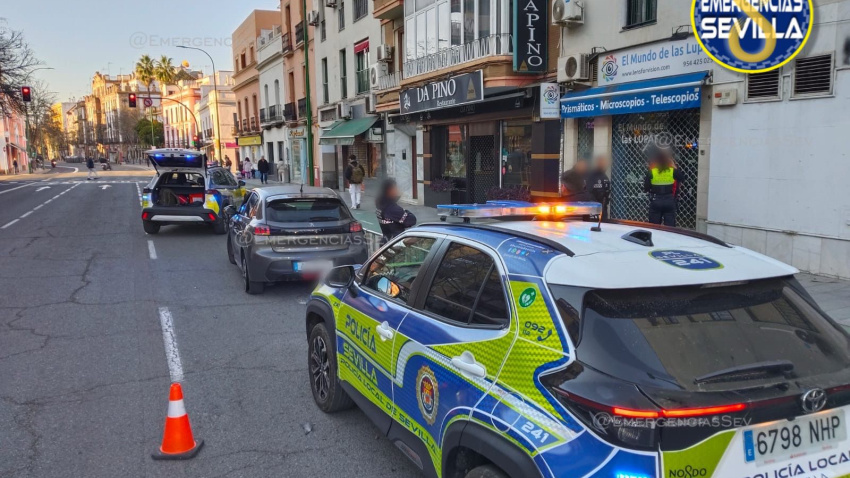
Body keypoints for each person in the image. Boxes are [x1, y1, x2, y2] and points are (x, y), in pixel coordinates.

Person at [643, 144, 684, 227]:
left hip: (656, 200)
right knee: (670, 228)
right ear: (668, 161)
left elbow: (646, 188)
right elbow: (682, 178)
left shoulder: (652, 172)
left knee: (654, 227)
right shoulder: (671, 171)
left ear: (656, 161)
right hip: (669, 200)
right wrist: (673, 165)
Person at [376, 179, 417, 244]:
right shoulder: (392, 208)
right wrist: (405, 211)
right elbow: (412, 220)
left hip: (386, 242)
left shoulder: (381, 205)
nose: (397, 190)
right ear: (389, 191)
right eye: (395, 188)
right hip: (395, 243)